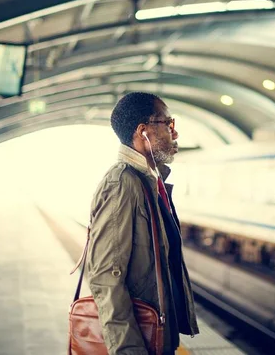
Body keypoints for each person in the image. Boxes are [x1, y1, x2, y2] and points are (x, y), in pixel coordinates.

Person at [85, 92, 199, 354]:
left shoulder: (147, 181)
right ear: (143, 131)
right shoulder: (123, 184)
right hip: (140, 342)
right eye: (168, 125)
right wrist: (129, 350)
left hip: (156, 333)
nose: (175, 134)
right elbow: (105, 276)